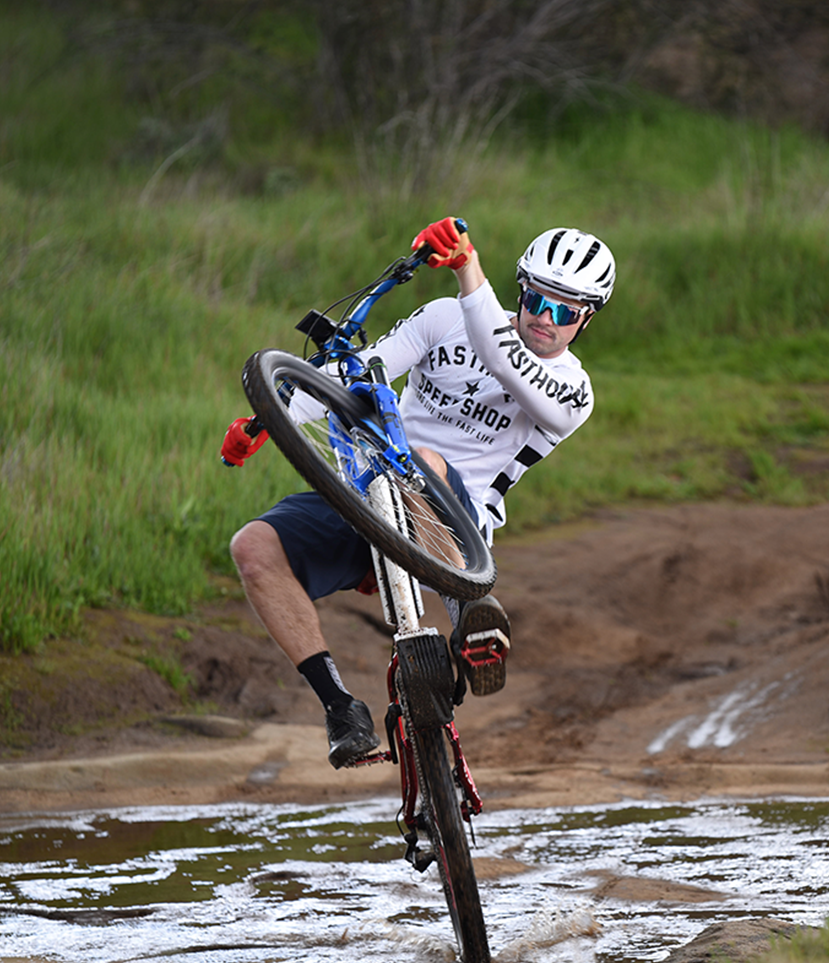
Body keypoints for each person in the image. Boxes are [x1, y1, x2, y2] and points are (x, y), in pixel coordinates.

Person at [221, 217, 616, 768]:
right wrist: (267, 419)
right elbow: (352, 376)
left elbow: (503, 358)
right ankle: (339, 707)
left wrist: (466, 265)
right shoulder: (446, 318)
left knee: (424, 462)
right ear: (520, 288)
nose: (543, 318)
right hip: (369, 495)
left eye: (564, 311)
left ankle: (472, 611)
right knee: (253, 547)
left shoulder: (573, 391)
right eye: (535, 299)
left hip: (455, 526)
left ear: (586, 320)